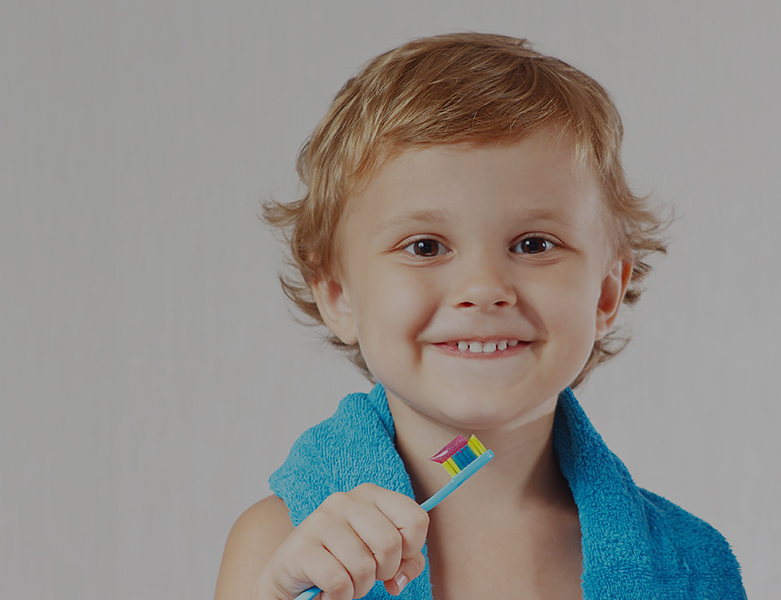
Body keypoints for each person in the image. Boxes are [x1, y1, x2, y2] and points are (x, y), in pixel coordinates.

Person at [215, 33, 745, 600]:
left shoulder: (690, 565)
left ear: (605, 295)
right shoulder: (281, 550)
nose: (485, 289)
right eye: (425, 246)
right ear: (338, 294)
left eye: (535, 244)